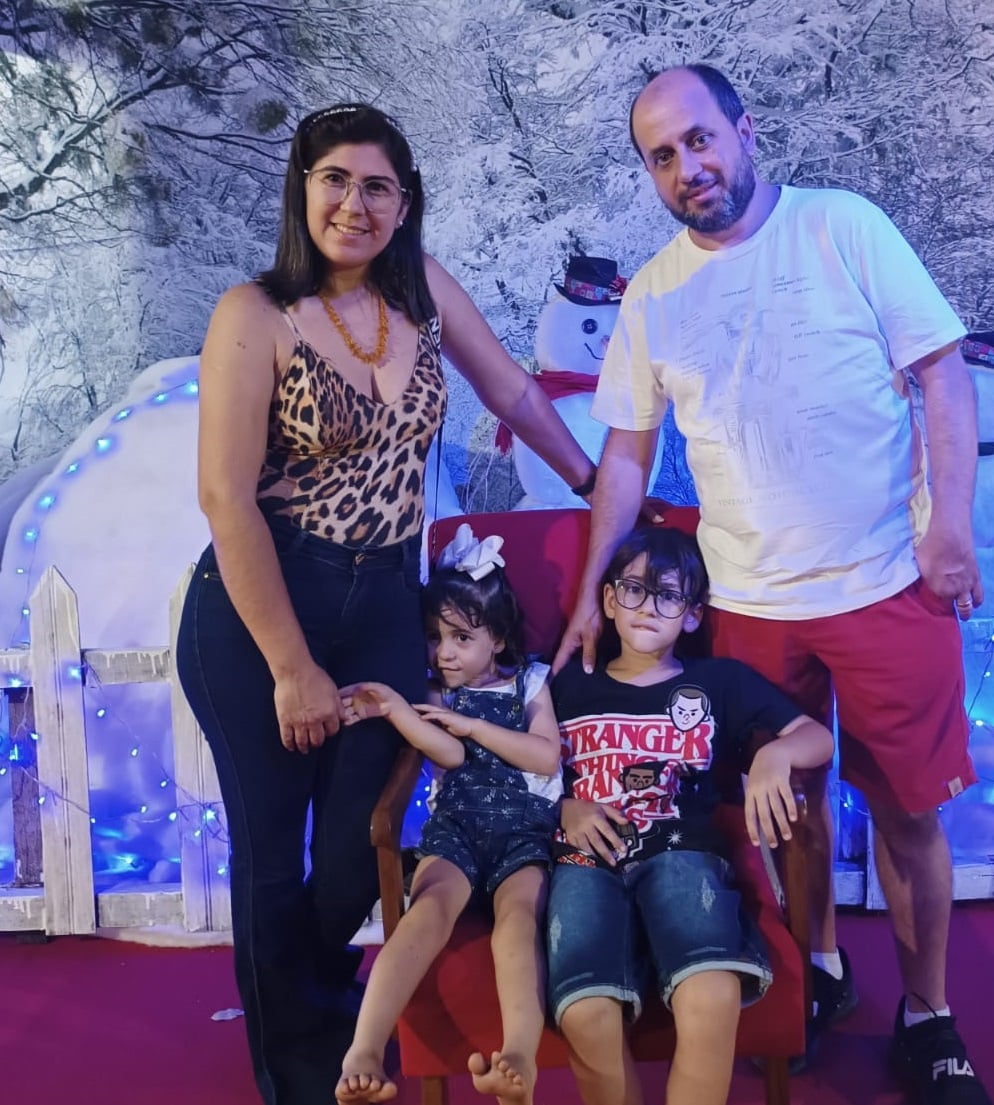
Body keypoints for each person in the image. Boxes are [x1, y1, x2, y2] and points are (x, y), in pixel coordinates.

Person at [553, 65, 994, 1105]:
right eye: (662, 156)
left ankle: (927, 1016)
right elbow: (626, 455)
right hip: (747, 600)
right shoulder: (654, 293)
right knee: (782, 810)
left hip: (886, 583)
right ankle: (820, 969)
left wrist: (952, 527)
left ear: (744, 131)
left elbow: (941, 372)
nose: (688, 167)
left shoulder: (844, 227)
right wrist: (585, 596)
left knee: (909, 816)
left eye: (700, 139)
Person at [174, 103, 596, 1105]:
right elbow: (226, 499)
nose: (353, 204)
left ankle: (321, 1015)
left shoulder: (423, 293)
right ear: (302, 190)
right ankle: (304, 1077)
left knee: (359, 848)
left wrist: (594, 484)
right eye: (334, 180)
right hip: (262, 600)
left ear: (405, 204)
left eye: (376, 186)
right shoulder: (254, 313)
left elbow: (514, 394)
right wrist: (291, 667)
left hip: (383, 599)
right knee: (270, 859)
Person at [549, 527, 835, 1105]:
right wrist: (561, 807)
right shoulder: (565, 687)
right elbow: (512, 769)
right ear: (609, 600)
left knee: (713, 994)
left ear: (693, 614)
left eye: (668, 595)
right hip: (586, 856)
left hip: (682, 853)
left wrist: (775, 754)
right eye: (634, 589)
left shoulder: (716, 682)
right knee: (585, 1011)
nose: (648, 607)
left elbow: (817, 738)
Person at [335, 525, 561, 1104]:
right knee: (428, 910)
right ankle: (364, 1048)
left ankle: (519, 1055)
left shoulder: (530, 683)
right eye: (434, 637)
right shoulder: (436, 692)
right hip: (457, 830)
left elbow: (544, 756)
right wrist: (396, 707)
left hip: (523, 835)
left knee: (517, 922)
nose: (444, 652)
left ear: (499, 638)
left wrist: (476, 725)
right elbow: (449, 754)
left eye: (461, 637)